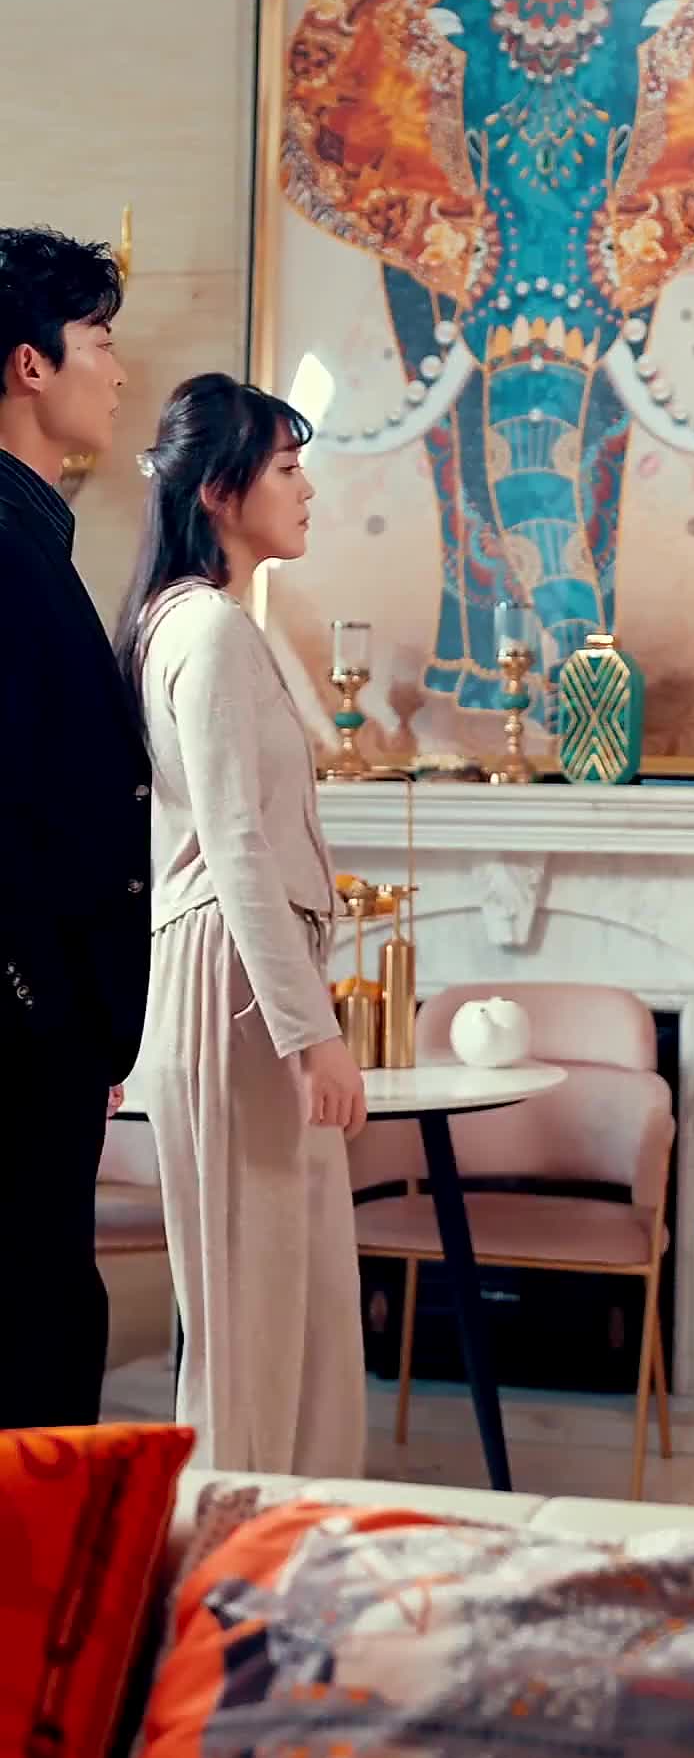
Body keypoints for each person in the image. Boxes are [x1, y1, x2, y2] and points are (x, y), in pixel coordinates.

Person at [115, 372, 368, 1475]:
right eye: (286, 468)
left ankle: (301, 1541)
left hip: (241, 981)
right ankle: (234, 1553)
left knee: (298, 1317)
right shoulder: (207, 630)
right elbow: (235, 845)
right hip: (232, 989)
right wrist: (313, 1034)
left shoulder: (203, 624)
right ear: (219, 492)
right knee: (250, 1331)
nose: (306, 489)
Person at [0, 225, 149, 1429]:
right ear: (30, 365)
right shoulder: (3, 545)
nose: (119, 369)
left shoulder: (36, 534)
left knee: (51, 1317)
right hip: (21, 1031)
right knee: (35, 1336)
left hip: (52, 1031)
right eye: (98, 340)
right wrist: (40, 999)